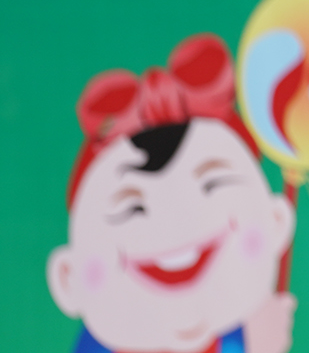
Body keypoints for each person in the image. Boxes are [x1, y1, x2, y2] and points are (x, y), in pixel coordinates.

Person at [48, 34, 296, 353]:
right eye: (132, 208)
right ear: (69, 278)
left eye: (212, 186)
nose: (173, 226)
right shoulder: (103, 340)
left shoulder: (239, 331)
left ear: (275, 222)